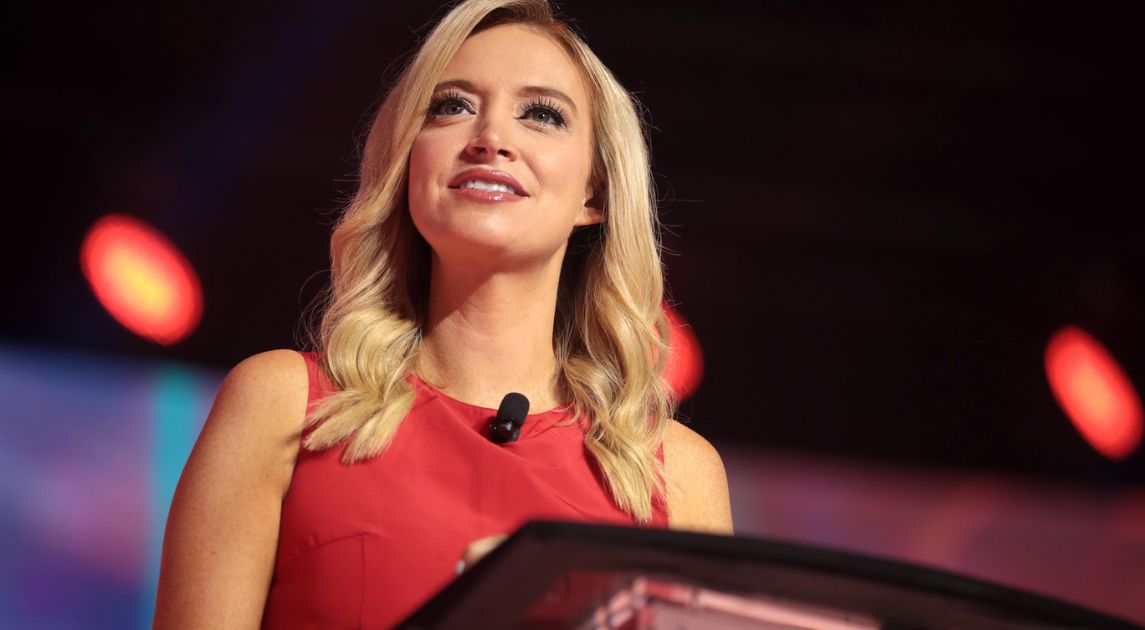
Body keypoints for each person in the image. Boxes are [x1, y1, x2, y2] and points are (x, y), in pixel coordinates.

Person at [153, 0, 732, 627]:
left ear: (594, 191)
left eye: (541, 114)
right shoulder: (282, 406)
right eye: (451, 106)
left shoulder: (678, 476)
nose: (490, 139)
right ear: (409, 160)